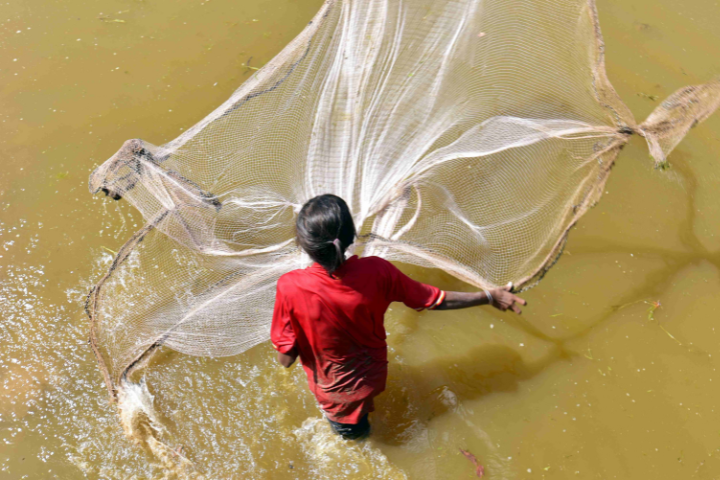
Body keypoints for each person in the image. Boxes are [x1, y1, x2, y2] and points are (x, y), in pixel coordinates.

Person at [271, 194, 527, 440]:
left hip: (337, 396)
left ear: (304, 245)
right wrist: (490, 297)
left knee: (356, 438)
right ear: (350, 237)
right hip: (376, 374)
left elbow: (286, 359)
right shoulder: (378, 271)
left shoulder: (290, 287)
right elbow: (435, 299)